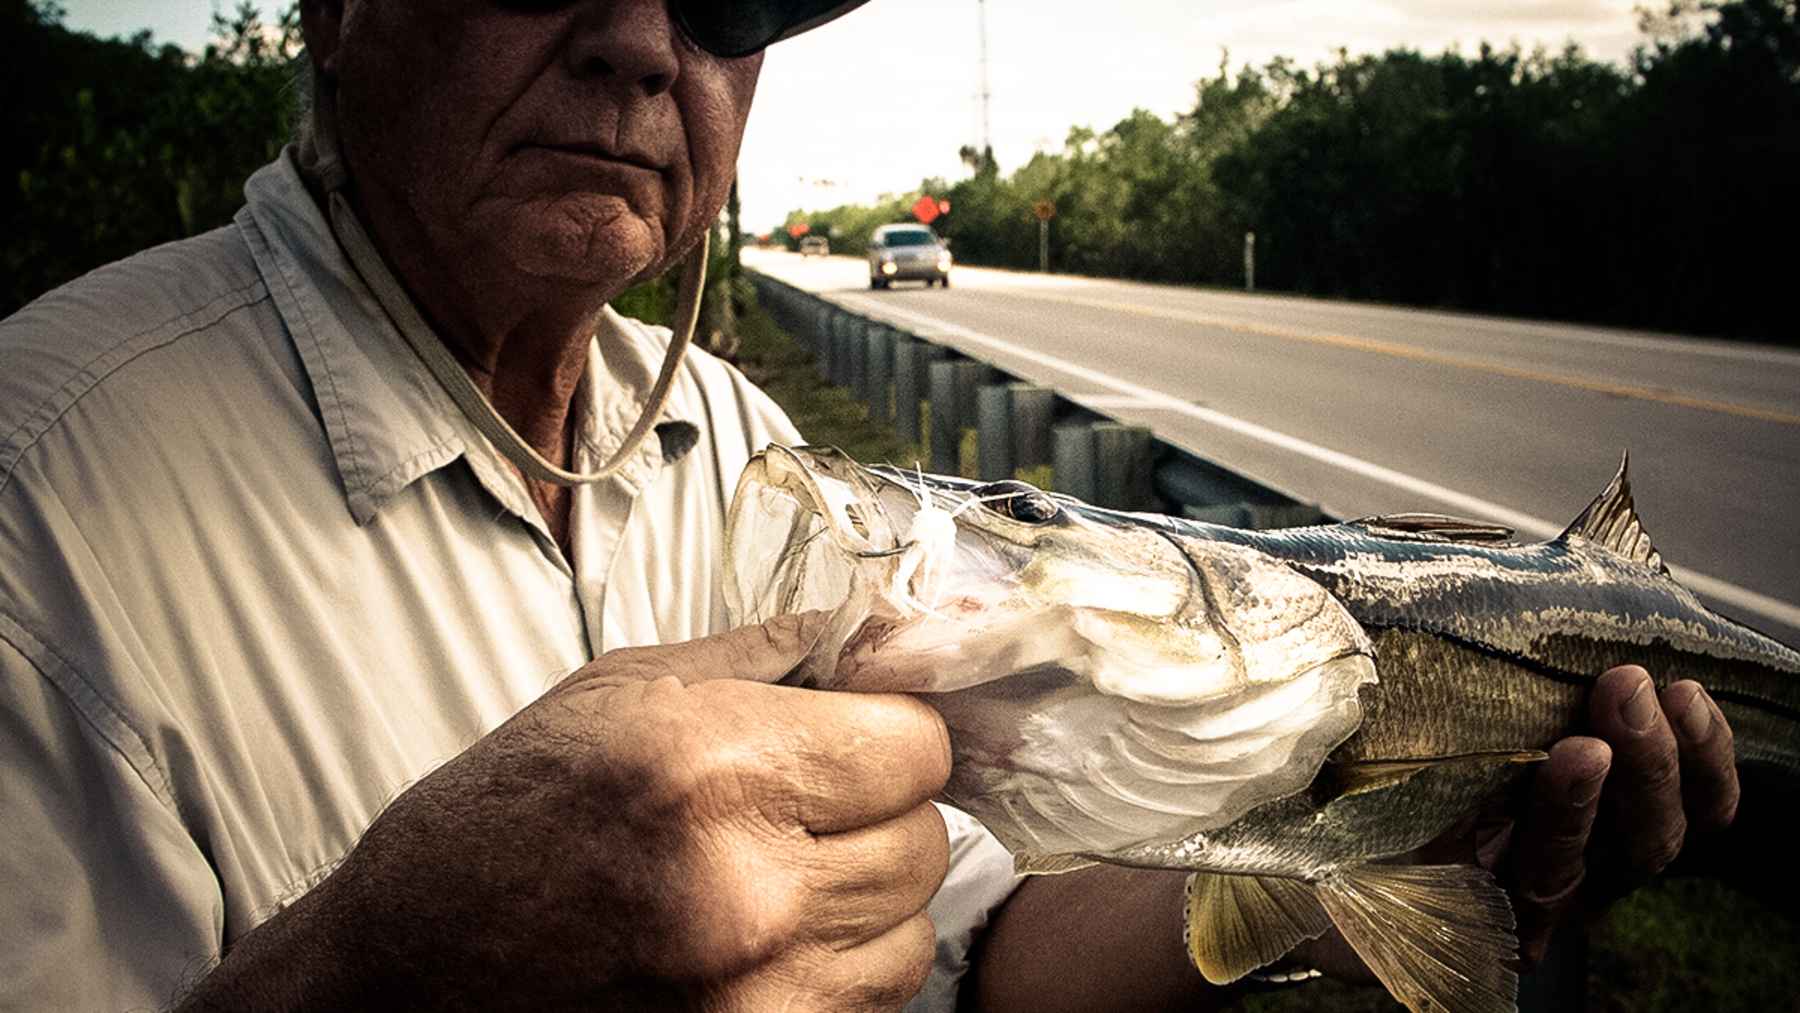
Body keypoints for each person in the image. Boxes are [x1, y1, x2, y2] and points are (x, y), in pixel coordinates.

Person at [0, 1, 1740, 1010]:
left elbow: (985, 943)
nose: (634, 35)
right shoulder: (46, 483)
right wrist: (382, 977)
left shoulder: (745, 448)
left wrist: (1383, 844)